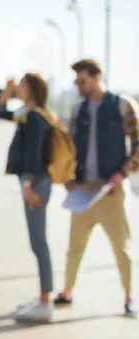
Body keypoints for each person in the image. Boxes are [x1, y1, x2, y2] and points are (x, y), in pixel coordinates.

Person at [54, 59, 139, 318]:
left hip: (110, 192)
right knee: (74, 247)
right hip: (83, 191)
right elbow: (68, 148)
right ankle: (67, 292)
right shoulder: (78, 110)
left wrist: (123, 173)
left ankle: (129, 297)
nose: (79, 86)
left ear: (97, 77)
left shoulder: (122, 106)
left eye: (82, 81)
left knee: (121, 247)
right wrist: (67, 176)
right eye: (76, 82)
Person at [0, 73, 54, 322]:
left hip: (35, 183)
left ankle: (45, 302)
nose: (18, 88)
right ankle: (43, 297)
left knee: (39, 243)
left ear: (31, 88)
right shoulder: (29, 113)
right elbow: (0, 114)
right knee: (37, 242)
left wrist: (28, 187)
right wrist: (6, 94)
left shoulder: (34, 117)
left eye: (21, 85)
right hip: (34, 182)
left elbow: (33, 156)